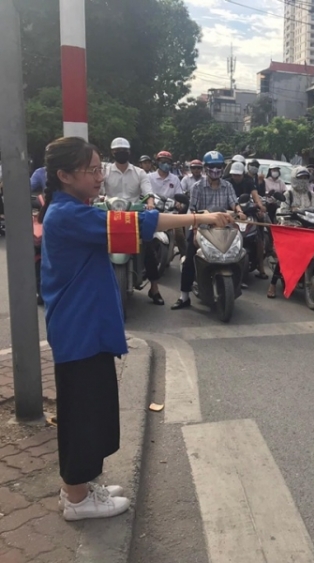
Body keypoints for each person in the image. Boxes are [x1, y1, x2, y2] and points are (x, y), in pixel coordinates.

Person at [39, 136, 232, 521]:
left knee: (92, 410)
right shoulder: (68, 215)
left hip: (87, 327)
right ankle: (77, 499)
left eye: (100, 169)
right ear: (63, 175)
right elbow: (141, 223)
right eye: (91, 170)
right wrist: (202, 218)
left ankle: (79, 487)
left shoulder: (76, 209)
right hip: (80, 330)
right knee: (82, 414)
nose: (99, 177)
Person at [172, 151, 247, 310]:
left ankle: (237, 285)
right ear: (206, 168)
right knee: (190, 258)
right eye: (212, 167)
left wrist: (239, 211)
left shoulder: (227, 186)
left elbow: (234, 203)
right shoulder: (197, 187)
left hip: (224, 228)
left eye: (218, 167)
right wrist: (194, 230)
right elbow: (192, 210)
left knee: (242, 253)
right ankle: (184, 296)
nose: (215, 170)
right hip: (201, 228)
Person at [102, 138, 164, 305]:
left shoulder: (139, 172)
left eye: (124, 150)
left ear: (129, 152)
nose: (120, 153)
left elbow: (148, 192)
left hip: (134, 217)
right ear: (112, 153)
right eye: (117, 151)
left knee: (149, 245)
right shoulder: (105, 171)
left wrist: (150, 202)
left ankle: (155, 288)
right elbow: (98, 193)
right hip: (109, 216)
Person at [266, 167, 314, 298]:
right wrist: (289, 213)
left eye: (305, 178)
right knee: (285, 255)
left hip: (308, 228)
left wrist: (305, 211)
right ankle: (272, 284)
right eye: (300, 178)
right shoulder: (288, 194)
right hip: (291, 228)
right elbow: (282, 211)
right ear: (294, 178)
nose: (303, 181)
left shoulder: (311, 194)